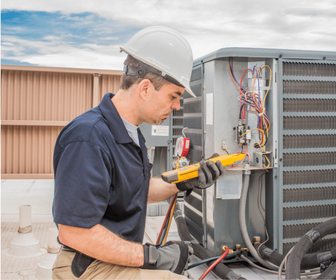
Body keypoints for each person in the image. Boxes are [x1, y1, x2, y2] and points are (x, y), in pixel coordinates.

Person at [52, 26, 224, 280]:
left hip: (110, 260)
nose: (177, 106)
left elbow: (135, 193)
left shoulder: (129, 134)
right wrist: (150, 257)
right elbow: (74, 232)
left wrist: (185, 180)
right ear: (145, 88)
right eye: (174, 96)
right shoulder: (88, 139)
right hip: (87, 266)